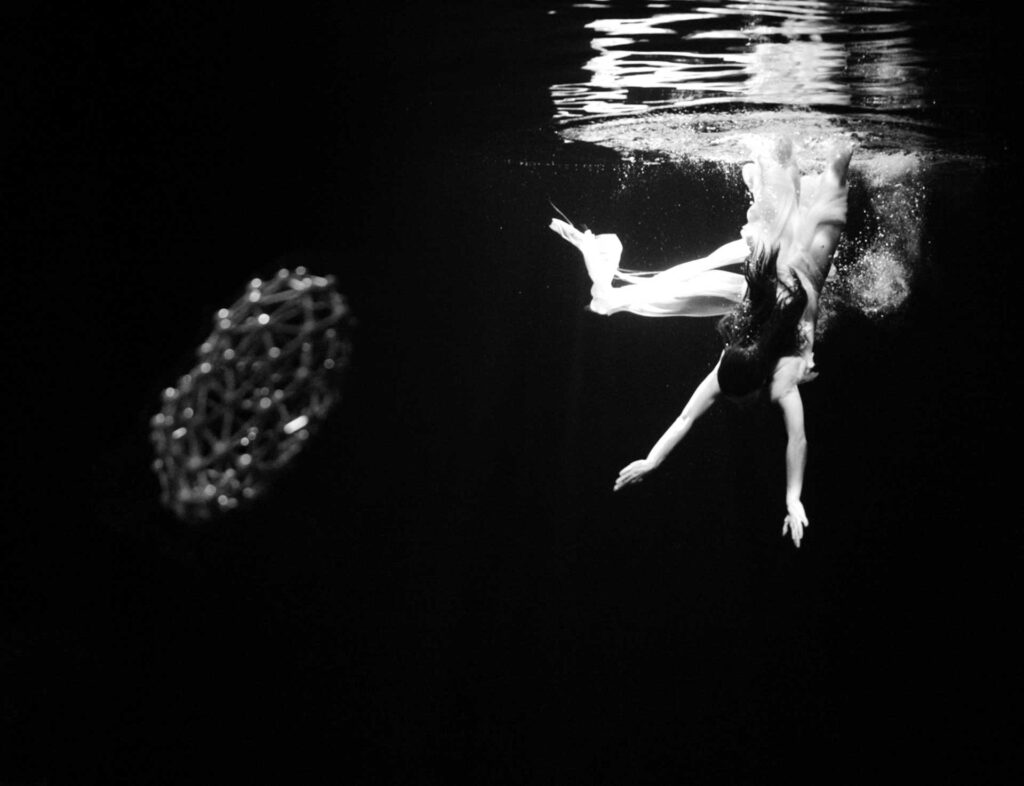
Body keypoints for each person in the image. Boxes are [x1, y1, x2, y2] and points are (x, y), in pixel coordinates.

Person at [550, 138, 853, 548]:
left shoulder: (774, 376)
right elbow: (688, 420)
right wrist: (791, 498)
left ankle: (815, 144)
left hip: (805, 268)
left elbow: (790, 437)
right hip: (786, 263)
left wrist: (792, 499)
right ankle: (790, 144)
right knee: (797, 171)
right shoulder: (754, 361)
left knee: (831, 169)